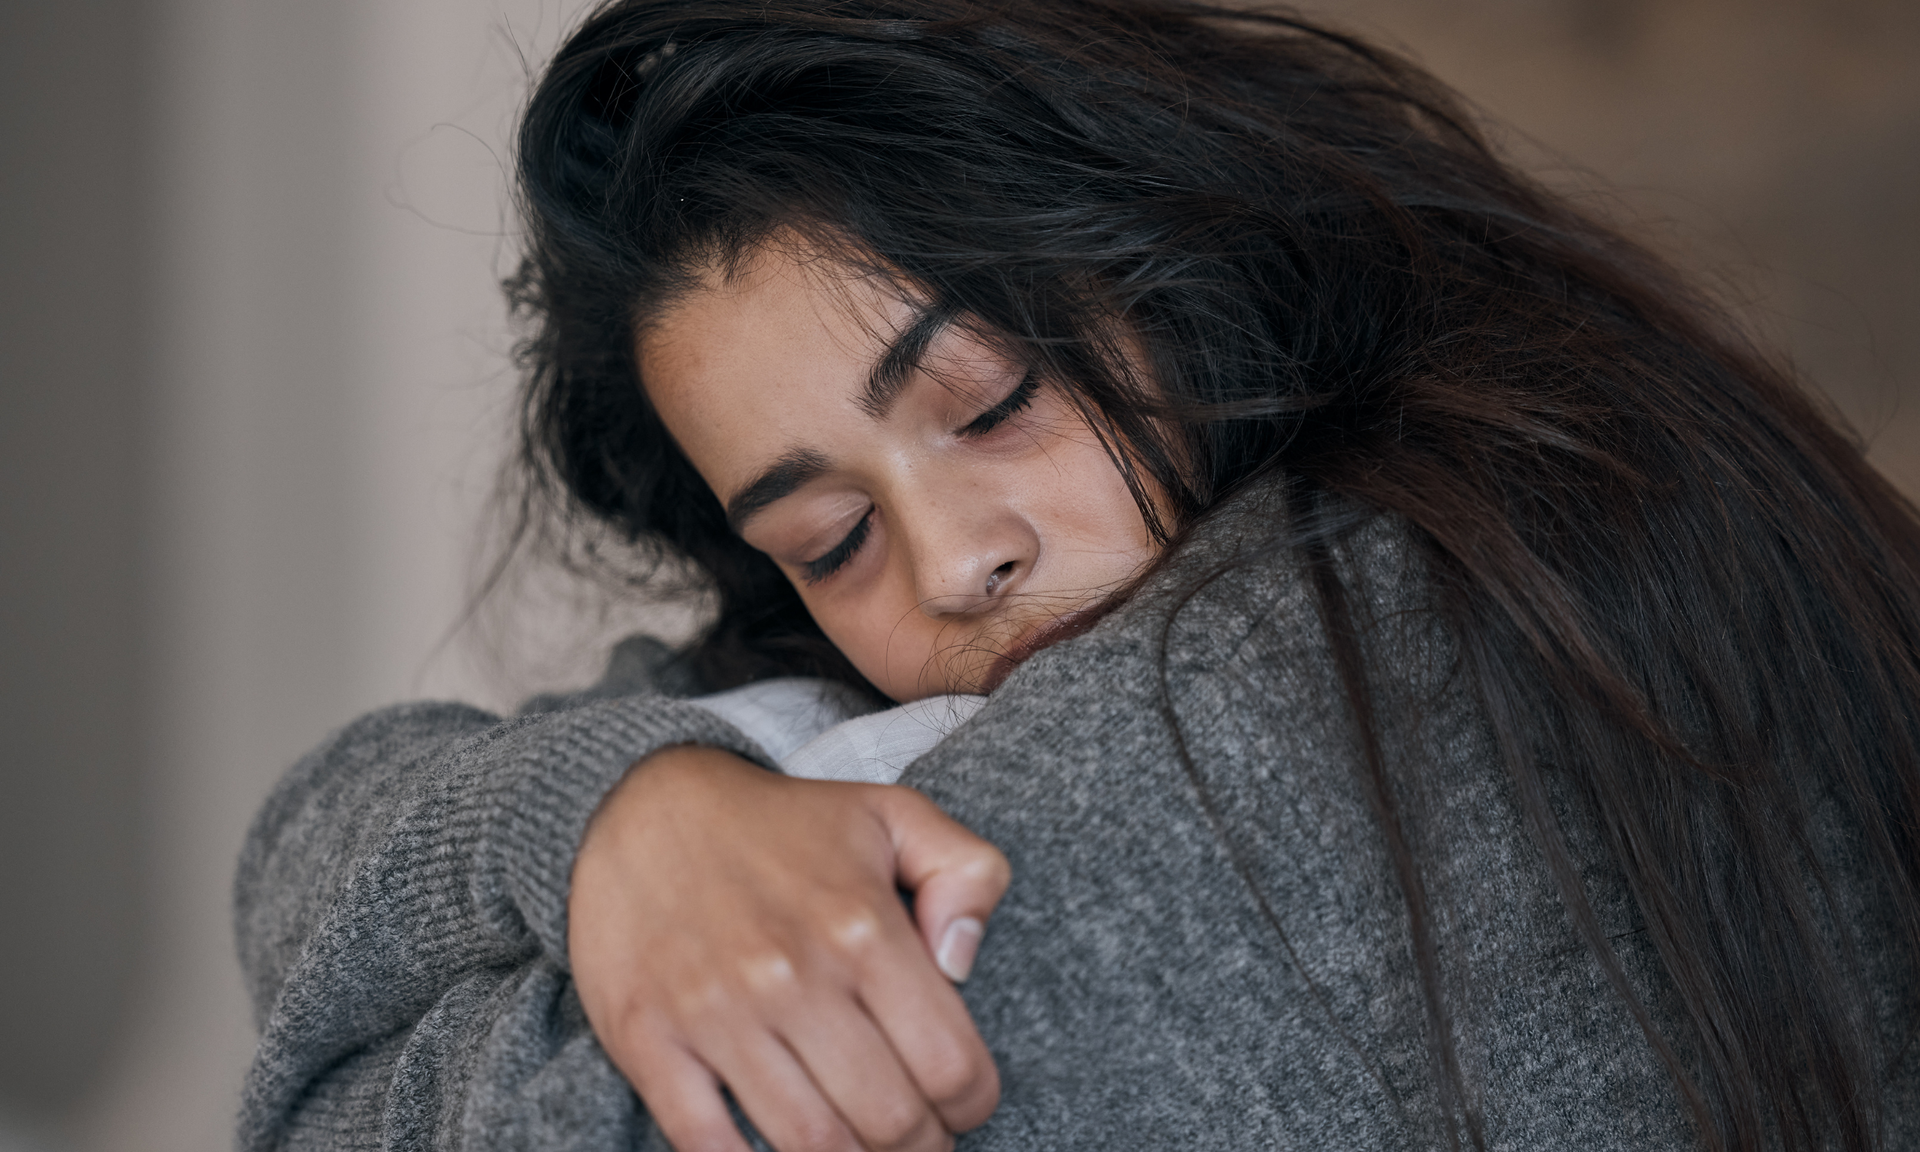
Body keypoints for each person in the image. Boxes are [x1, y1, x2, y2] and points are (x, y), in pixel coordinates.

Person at [234, 2, 1920, 1150]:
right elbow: (317, 823)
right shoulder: (1551, 486)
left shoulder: (1343, 665)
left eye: (994, 403)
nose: (961, 560)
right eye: (830, 539)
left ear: (1172, 257)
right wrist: (616, 817)